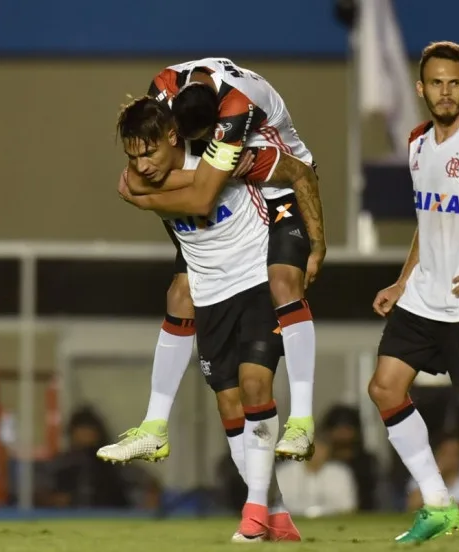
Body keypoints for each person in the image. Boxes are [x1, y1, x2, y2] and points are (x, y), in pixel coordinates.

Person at [102, 58, 324, 463]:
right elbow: (139, 173)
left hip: (278, 185)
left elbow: (205, 196)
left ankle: (303, 420)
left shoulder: (235, 111)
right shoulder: (164, 90)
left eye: (199, 143)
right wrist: (186, 178)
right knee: (180, 292)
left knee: (283, 282)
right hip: (231, 186)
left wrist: (147, 197)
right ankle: (154, 427)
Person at [111, 96, 306, 541]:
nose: (141, 165)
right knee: (229, 403)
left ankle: (253, 512)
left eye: (149, 152)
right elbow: (136, 186)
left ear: (173, 137)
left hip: (258, 279)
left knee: (257, 383)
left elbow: (199, 198)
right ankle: (275, 512)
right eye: (133, 156)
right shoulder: (148, 176)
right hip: (212, 294)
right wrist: (145, 188)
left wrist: (143, 197)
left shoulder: (218, 158)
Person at [368, 41, 459, 543]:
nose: (445, 91)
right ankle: (437, 503)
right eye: (436, 82)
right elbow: (426, 222)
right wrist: (403, 279)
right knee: (384, 388)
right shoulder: (415, 143)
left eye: (454, 83)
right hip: (424, 295)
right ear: (421, 88)